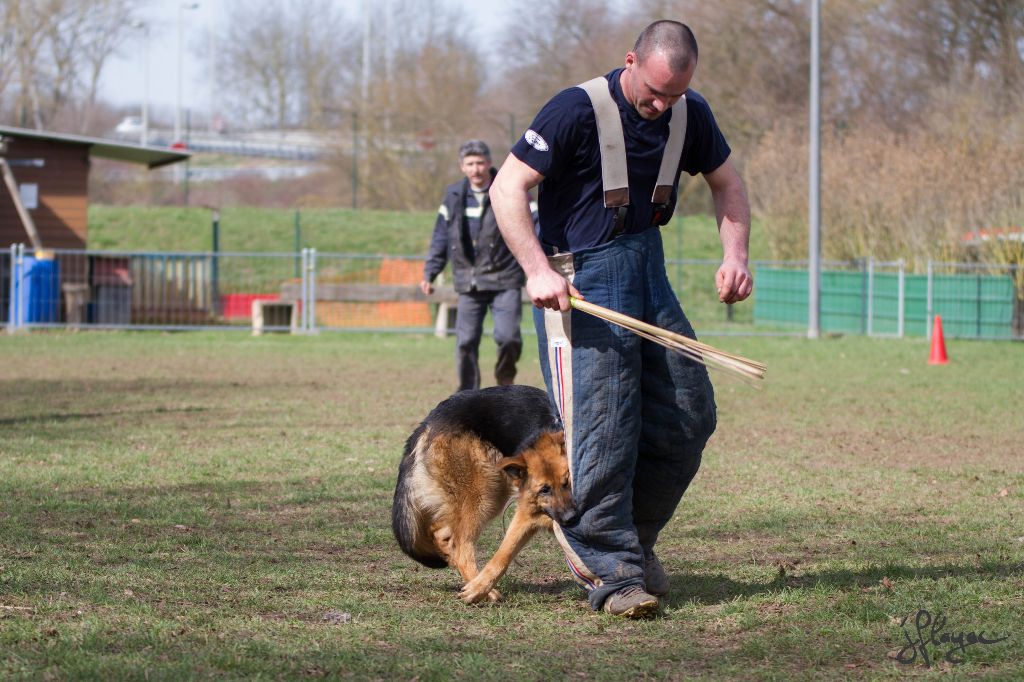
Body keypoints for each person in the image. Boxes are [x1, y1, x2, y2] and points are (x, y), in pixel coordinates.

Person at [489, 20, 753, 618]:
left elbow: (728, 182)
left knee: (689, 414)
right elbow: (508, 188)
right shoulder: (574, 109)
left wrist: (734, 256)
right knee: (602, 431)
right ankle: (610, 570)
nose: (661, 107)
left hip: (647, 269)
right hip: (579, 280)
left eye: (674, 96)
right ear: (630, 60)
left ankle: (633, 541)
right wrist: (536, 269)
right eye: (653, 93)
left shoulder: (691, 114)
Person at [421, 139, 531, 392]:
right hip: (468, 281)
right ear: (462, 167)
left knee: (508, 338)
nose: (476, 169)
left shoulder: (508, 189)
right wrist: (431, 270)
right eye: (470, 164)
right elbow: (441, 235)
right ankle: (468, 395)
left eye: (480, 163)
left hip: (504, 279)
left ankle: (505, 379)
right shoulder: (454, 196)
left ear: (489, 163)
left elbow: (533, 226)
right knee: (465, 342)